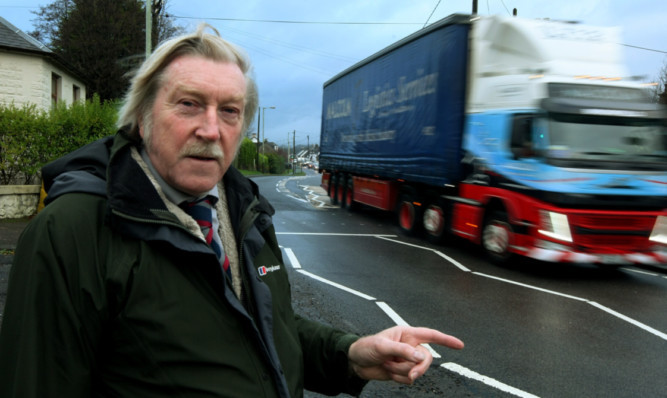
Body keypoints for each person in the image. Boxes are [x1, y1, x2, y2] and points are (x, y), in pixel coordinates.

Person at [0, 25, 463, 397]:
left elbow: (263, 328)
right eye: (189, 104)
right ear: (140, 117)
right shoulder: (71, 231)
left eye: (230, 111)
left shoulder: (245, 212)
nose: (210, 129)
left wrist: (350, 355)